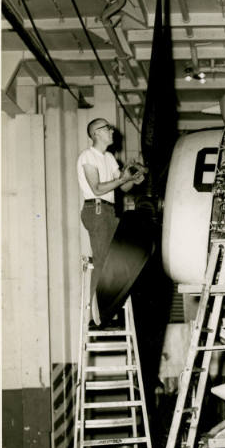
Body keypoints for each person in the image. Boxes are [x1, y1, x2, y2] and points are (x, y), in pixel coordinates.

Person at [77, 118, 145, 310]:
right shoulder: (87, 157)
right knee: (102, 260)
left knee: (114, 260)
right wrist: (124, 177)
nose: (112, 131)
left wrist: (132, 177)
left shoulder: (108, 158)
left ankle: (107, 308)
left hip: (108, 211)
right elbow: (97, 189)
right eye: (107, 128)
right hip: (96, 210)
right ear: (96, 133)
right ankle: (95, 311)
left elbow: (123, 186)